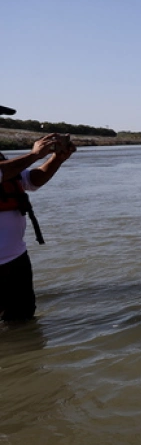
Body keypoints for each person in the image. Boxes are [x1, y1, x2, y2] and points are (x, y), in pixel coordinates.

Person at [0, 132, 76, 321]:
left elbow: (30, 180)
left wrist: (57, 159)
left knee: (23, 319)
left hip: (16, 258)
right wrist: (34, 155)